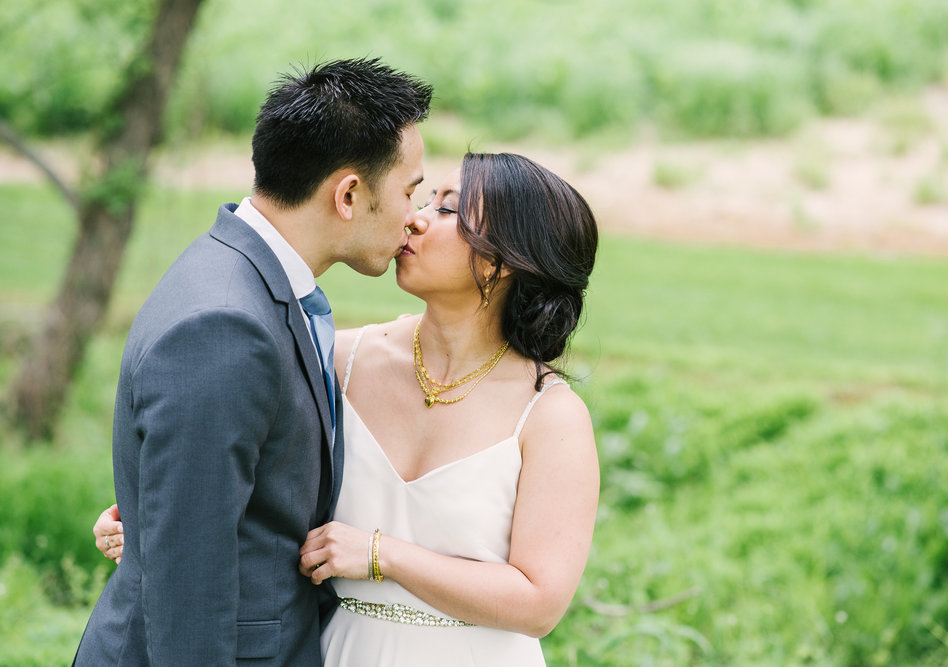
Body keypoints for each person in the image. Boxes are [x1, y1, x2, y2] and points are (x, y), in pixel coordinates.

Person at [96, 152, 600, 665]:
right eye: (424, 199)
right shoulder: (341, 359)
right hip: (334, 651)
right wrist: (149, 522)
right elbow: (245, 486)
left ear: (504, 259)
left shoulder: (550, 416)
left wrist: (382, 555)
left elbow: (539, 602)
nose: (415, 218)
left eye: (448, 211)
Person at [75, 57, 432, 666]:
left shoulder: (240, 276)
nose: (415, 216)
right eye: (409, 190)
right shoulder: (225, 325)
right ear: (348, 194)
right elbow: (188, 579)